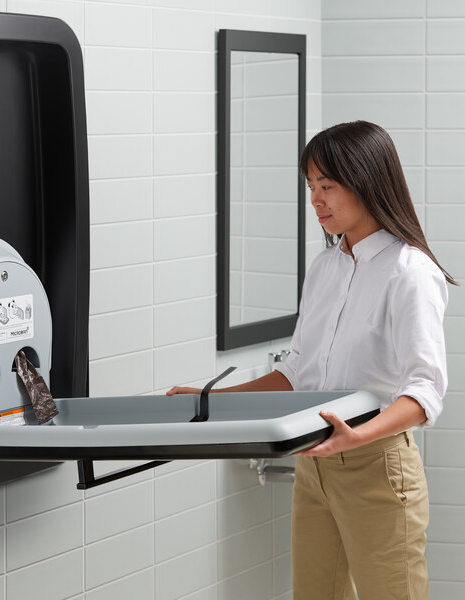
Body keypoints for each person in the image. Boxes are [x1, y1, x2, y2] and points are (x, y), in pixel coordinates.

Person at [167, 121, 456, 600]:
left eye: (327, 186)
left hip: (376, 465)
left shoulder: (410, 271)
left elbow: (425, 392)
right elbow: (296, 372)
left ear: (367, 181)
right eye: (310, 187)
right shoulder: (325, 268)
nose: (315, 200)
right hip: (314, 464)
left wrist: (356, 435)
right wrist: (209, 399)